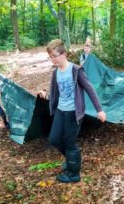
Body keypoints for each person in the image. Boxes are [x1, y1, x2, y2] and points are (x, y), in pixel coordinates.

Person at [39, 39, 106, 183]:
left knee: (70, 143)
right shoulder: (56, 73)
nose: (52, 59)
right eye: (50, 57)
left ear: (64, 54)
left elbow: (90, 89)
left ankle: (74, 174)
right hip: (60, 111)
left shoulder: (76, 70)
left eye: (54, 56)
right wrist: (47, 96)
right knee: (54, 139)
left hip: (74, 112)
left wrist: (99, 110)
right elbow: (58, 92)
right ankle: (71, 159)